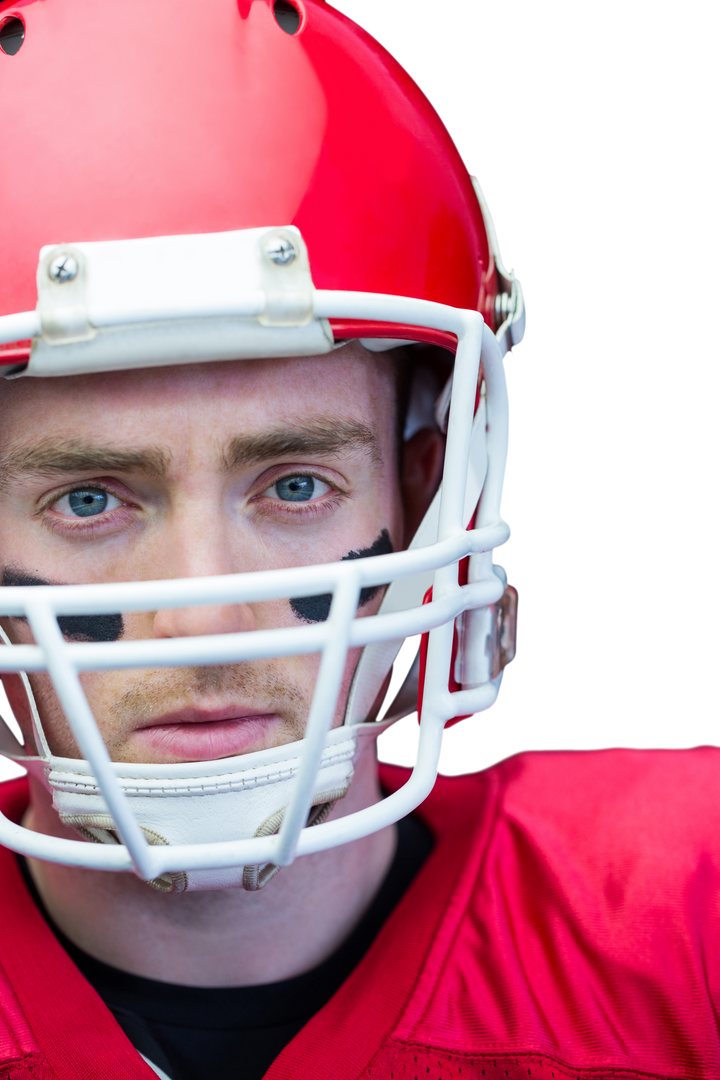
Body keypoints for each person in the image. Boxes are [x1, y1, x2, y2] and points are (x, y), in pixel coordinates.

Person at [0, 2, 716, 1079]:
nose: (203, 618)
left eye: (295, 484)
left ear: (424, 491)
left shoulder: (684, 913)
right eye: (92, 502)